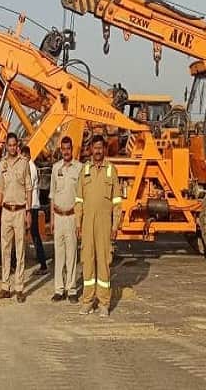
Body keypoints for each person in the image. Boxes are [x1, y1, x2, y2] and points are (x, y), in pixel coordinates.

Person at [76, 135, 122, 318]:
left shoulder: (111, 170)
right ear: (90, 150)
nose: (97, 151)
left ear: (104, 149)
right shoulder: (84, 170)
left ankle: (104, 303)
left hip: (104, 223)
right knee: (87, 261)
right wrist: (78, 223)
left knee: (103, 262)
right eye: (94, 148)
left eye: (100, 148)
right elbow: (79, 199)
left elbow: (117, 201)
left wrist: (115, 225)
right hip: (87, 223)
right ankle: (87, 301)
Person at [0, 133, 32, 302]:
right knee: (5, 249)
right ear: (6, 147)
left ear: (17, 146)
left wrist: (28, 212)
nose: (11, 147)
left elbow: (29, 189)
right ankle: (5, 286)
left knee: (20, 249)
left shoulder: (24, 164)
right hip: (6, 211)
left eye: (14, 145)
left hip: (20, 211)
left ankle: (19, 288)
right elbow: (0, 189)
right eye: (9, 145)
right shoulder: (2, 164)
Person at [49, 136, 83, 303]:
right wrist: (52, 220)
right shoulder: (56, 169)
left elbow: (82, 196)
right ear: (60, 150)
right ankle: (58, 289)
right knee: (59, 255)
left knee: (72, 255)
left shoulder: (79, 169)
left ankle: (71, 290)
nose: (66, 151)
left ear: (72, 149)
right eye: (63, 149)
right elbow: (51, 195)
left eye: (68, 148)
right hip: (58, 216)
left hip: (72, 217)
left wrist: (80, 222)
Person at [22, 145, 48, 275]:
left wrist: (27, 209)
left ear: (26, 156)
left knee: (35, 235)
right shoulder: (29, 167)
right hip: (31, 205)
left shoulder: (30, 168)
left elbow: (29, 188)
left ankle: (43, 264)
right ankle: (41, 262)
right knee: (34, 234)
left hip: (31, 206)